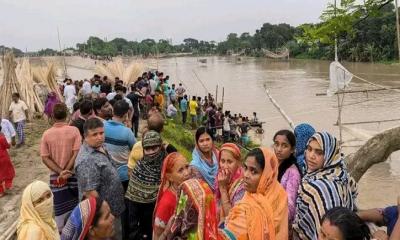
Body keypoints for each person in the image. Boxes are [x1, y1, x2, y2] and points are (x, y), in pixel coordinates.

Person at [293, 132, 358, 240]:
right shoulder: (342, 174)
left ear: (330, 155)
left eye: (319, 152)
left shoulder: (318, 188)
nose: (311, 156)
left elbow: (323, 231)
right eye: (309, 149)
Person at [221, 148, 289, 240]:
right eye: (245, 168)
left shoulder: (278, 195)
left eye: (254, 171)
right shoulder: (250, 194)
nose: (246, 175)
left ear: (266, 175)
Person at [75, 118, 125, 240]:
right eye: (94, 134)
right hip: (106, 216)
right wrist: (106, 215)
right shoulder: (86, 160)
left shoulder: (101, 147)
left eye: (101, 133)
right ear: (85, 136)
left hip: (114, 209)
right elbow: (90, 193)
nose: (99, 137)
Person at [40, 103, 82, 231]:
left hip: (56, 178)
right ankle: (78, 230)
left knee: (59, 207)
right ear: (67, 115)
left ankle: (63, 232)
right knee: (77, 205)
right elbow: (77, 152)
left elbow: (45, 157)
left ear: (52, 117)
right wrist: (67, 170)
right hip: (73, 174)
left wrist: (60, 172)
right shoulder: (74, 130)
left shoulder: (46, 134)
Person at [125, 131, 167, 239]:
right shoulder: (139, 168)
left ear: (161, 147)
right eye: (147, 149)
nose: (151, 152)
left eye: (154, 148)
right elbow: (132, 206)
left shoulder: (167, 168)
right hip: (142, 227)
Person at [153, 152, 190, 240]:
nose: (187, 173)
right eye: (180, 170)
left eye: (187, 167)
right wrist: (166, 231)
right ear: (169, 177)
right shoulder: (166, 203)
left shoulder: (186, 190)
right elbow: (156, 238)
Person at [104, 100, 136, 190]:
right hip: (122, 174)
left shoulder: (102, 126)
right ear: (126, 114)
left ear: (113, 111)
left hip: (105, 170)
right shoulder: (127, 132)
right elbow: (134, 148)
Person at [273, 130, 301, 227]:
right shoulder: (272, 166)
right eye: (276, 144)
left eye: (284, 146)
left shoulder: (292, 173)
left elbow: (290, 208)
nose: (279, 149)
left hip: (279, 225)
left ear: (292, 149)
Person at [215, 143, 245, 222]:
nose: (225, 166)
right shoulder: (219, 175)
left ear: (238, 163)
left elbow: (232, 217)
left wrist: (223, 188)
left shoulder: (242, 185)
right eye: (222, 161)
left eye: (229, 162)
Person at [190, 126, 219, 190]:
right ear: (197, 144)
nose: (205, 143)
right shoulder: (194, 166)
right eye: (201, 141)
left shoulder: (218, 155)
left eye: (208, 139)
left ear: (212, 140)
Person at [0, 125, 15, 197]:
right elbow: (7, 146)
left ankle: (1, 192)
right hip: (3, 157)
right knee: (8, 171)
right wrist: (9, 145)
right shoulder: (2, 138)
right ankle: (8, 186)